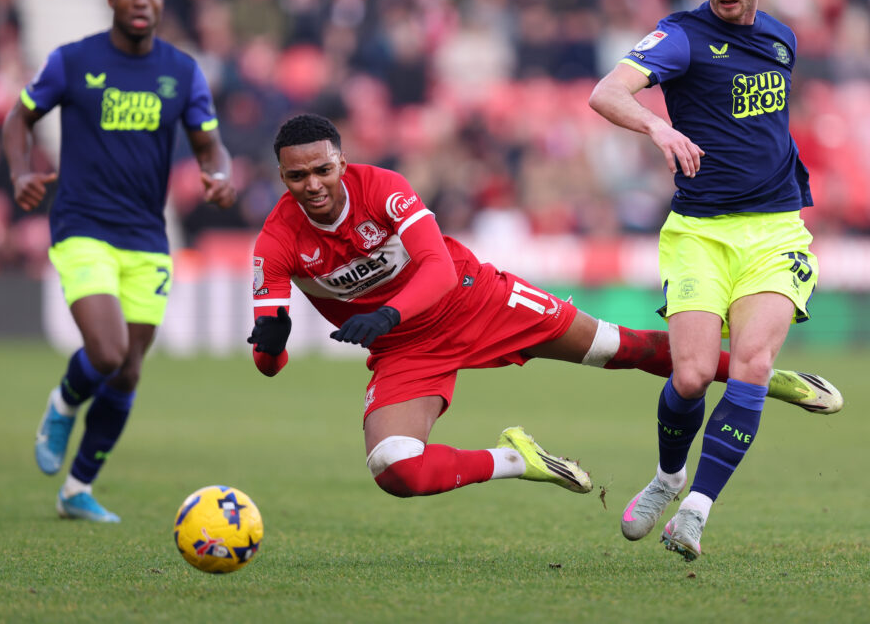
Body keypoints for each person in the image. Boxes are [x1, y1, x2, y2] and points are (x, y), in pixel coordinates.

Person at [247, 113, 839, 504]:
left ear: (341, 164)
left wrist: (387, 314)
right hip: (405, 348)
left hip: (474, 298)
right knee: (394, 467)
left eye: (322, 169)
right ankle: (518, 460)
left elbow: (435, 266)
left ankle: (750, 371)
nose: (313, 184)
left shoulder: (383, 187)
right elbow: (267, 360)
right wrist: (270, 346)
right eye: (297, 176)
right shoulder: (275, 241)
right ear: (283, 177)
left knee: (621, 348)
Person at [588, 0, 822, 560]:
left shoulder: (782, 39)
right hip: (698, 233)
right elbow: (607, 93)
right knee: (690, 377)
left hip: (775, 231)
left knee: (750, 366)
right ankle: (669, 478)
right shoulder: (682, 37)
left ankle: (696, 510)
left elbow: (766, 126)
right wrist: (658, 130)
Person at [2, 0, 237, 523]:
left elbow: (211, 145)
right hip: (83, 226)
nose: (139, 1)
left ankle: (77, 489)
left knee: (129, 370)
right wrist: (19, 172)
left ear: (160, 1)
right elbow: (18, 118)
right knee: (105, 354)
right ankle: (63, 402)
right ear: (111, 0)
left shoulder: (181, 72)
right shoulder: (75, 61)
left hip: (146, 237)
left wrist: (221, 175)